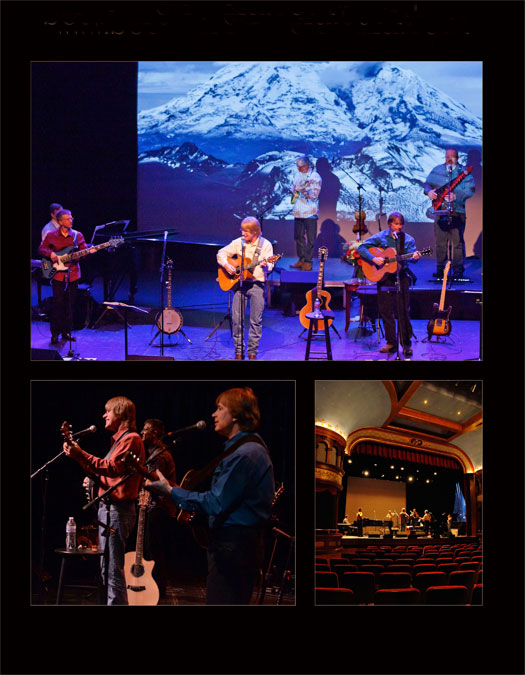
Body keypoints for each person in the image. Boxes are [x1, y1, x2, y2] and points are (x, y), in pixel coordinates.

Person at [145, 387, 275, 605]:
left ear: (235, 415)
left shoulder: (245, 454)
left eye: (220, 408)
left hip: (233, 548)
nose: (214, 414)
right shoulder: (245, 450)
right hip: (236, 546)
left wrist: (169, 491)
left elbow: (216, 502)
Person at [63, 396, 145, 605]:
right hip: (110, 510)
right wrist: (81, 461)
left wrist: (81, 454)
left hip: (119, 510)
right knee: (106, 568)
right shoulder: (119, 441)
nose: (103, 415)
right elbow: (110, 474)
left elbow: (112, 468)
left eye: (107, 411)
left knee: (112, 569)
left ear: (120, 413)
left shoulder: (131, 439)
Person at [357, 212, 421, 356]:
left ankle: (406, 344)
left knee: (403, 311)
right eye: (396, 224)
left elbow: (412, 258)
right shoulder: (381, 237)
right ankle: (391, 343)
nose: (398, 227)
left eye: (400, 224)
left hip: (401, 277)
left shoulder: (408, 239)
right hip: (384, 278)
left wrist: (415, 257)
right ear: (390, 224)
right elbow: (361, 248)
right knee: (386, 311)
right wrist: (374, 259)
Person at [217, 217, 275, 360]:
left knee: (256, 320)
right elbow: (221, 253)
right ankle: (239, 350)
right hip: (239, 285)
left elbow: (271, 265)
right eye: (242, 231)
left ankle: (252, 352)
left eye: (246, 231)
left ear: (255, 231)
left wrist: (267, 265)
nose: (243, 234)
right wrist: (226, 265)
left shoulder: (266, 245)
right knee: (237, 319)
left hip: (257, 285)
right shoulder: (239, 242)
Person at [38, 209, 95, 344]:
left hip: (73, 274)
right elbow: (41, 249)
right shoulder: (51, 235)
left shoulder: (77, 235)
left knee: (70, 305)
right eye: (68, 218)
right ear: (60, 221)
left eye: (71, 218)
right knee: (58, 305)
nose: (71, 220)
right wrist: (51, 254)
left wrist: (89, 252)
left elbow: (83, 253)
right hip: (57, 275)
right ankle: (55, 333)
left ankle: (66, 332)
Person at [140, 418, 178, 601]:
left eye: (145, 430)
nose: (141, 432)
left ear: (154, 433)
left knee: (153, 550)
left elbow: (156, 483)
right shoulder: (155, 453)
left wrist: (137, 482)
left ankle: (157, 589)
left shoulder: (158, 455)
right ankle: (157, 587)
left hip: (159, 508)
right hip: (159, 507)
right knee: (153, 549)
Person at [423, 147, 475, 280]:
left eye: (452, 157)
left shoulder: (464, 172)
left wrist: (456, 196)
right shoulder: (437, 170)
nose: (449, 159)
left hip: (457, 212)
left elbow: (470, 189)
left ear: (457, 158)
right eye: (447, 156)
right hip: (441, 212)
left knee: (457, 243)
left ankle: (458, 270)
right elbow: (427, 184)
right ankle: (440, 270)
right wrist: (429, 192)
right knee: (440, 243)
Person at [289, 155, 322, 271]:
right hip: (298, 211)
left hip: (310, 212)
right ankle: (301, 259)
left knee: (310, 239)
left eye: (302, 166)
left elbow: (314, 196)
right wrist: (293, 191)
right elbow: (294, 190)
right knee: (298, 237)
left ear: (308, 164)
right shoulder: (297, 175)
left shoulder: (315, 177)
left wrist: (302, 189)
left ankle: (308, 261)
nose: (300, 169)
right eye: (298, 167)